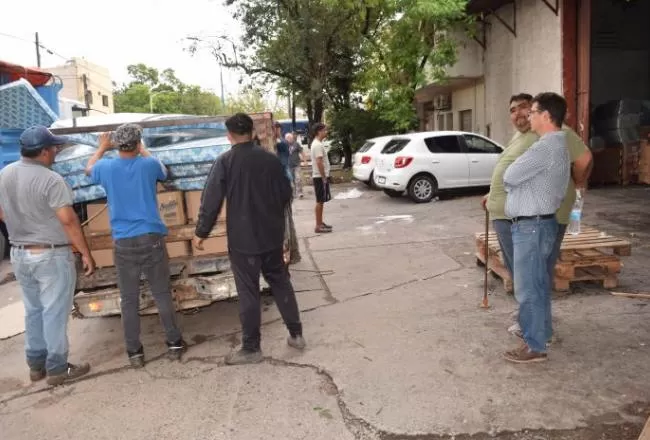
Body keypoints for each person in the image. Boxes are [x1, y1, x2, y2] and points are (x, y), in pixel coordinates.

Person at [193, 113, 305, 365]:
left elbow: (211, 201)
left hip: (243, 241)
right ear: (252, 132)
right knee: (280, 283)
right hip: (271, 236)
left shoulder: (225, 162)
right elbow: (286, 193)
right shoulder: (270, 160)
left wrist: (201, 232)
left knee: (248, 291)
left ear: (228, 135)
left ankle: (252, 348)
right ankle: (296, 335)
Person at [482, 93, 593, 341]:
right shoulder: (522, 135)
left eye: (525, 108)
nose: (520, 114)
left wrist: (575, 184)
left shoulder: (555, 133)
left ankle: (538, 334)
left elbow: (584, 159)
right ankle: (530, 322)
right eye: (513, 109)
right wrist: (492, 195)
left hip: (536, 218)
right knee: (521, 275)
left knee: (534, 277)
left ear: (540, 113)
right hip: (508, 215)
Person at [85, 123, 186, 368]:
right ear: (138, 143)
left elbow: (88, 169)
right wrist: (144, 151)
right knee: (161, 293)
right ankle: (174, 344)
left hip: (123, 242)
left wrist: (101, 148)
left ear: (117, 145)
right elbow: (163, 170)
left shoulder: (106, 167)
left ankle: (135, 354)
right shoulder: (148, 164)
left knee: (128, 300)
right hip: (151, 238)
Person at [0, 125, 94, 386]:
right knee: (54, 312)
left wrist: (23, 225)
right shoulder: (51, 179)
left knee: (34, 311)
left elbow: (1, 213)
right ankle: (57, 368)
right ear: (43, 152)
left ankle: (36, 365)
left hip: (20, 253)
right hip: (50, 255)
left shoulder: (4, 174)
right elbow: (68, 220)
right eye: (53, 148)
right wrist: (85, 253)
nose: (56, 152)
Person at [501, 92, 571, 363]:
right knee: (538, 286)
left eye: (532, 112)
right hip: (540, 224)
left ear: (545, 116)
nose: (528, 116)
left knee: (529, 288)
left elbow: (510, 175)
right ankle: (538, 337)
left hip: (531, 227)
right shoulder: (555, 145)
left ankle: (534, 346)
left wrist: (514, 184)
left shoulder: (544, 147)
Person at [310, 123, 333, 233]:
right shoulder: (317, 145)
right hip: (319, 177)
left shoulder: (317, 143)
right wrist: (324, 177)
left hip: (319, 176)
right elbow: (319, 162)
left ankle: (320, 222)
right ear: (319, 131)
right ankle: (318, 226)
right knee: (320, 201)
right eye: (324, 130)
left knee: (321, 200)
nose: (326, 132)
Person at [286, 132, 306, 198]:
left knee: (298, 178)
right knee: (292, 180)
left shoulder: (296, 144)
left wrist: (305, 160)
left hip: (297, 164)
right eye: (288, 138)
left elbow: (302, 152)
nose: (290, 139)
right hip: (289, 165)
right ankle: (294, 193)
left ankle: (300, 192)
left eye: (290, 138)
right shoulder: (285, 145)